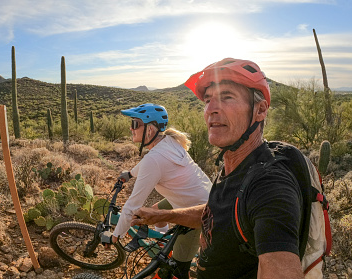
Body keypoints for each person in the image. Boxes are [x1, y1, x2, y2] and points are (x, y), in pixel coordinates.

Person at [131, 59, 305, 279]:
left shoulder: (270, 186)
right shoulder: (238, 164)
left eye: (227, 97)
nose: (211, 109)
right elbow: (216, 212)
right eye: (208, 100)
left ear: (260, 110)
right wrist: (162, 215)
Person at [112, 103, 212, 279]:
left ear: (150, 130)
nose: (131, 128)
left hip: (199, 212)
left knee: (176, 271)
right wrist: (129, 174)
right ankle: (163, 245)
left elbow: (133, 204)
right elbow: (148, 162)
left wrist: (115, 236)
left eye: (135, 124)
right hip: (204, 196)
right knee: (157, 211)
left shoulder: (155, 158)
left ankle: (177, 261)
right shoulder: (167, 141)